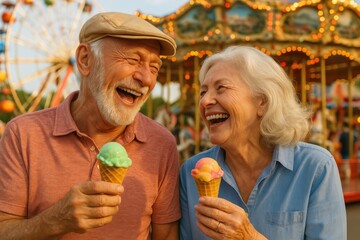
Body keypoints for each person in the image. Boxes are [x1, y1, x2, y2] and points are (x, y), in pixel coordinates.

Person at [0, 12, 180, 239]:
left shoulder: (162, 144)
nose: (146, 79)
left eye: (154, 68)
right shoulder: (23, 134)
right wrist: (55, 220)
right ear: (85, 60)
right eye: (133, 60)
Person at [179, 46, 346, 240]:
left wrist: (249, 237)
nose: (205, 101)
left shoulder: (315, 167)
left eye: (221, 88)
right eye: (203, 92)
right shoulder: (190, 173)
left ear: (262, 102)